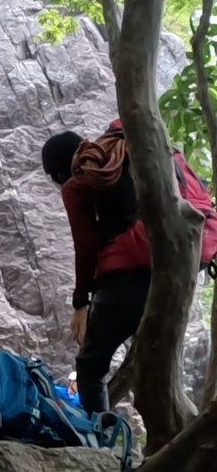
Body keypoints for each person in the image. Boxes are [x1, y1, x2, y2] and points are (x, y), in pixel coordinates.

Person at [40, 121, 217, 413]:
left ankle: (97, 451)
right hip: (189, 254)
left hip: (132, 270)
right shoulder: (126, 152)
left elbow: (85, 245)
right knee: (152, 357)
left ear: (59, 170)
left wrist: (80, 303)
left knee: (90, 368)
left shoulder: (79, 181)